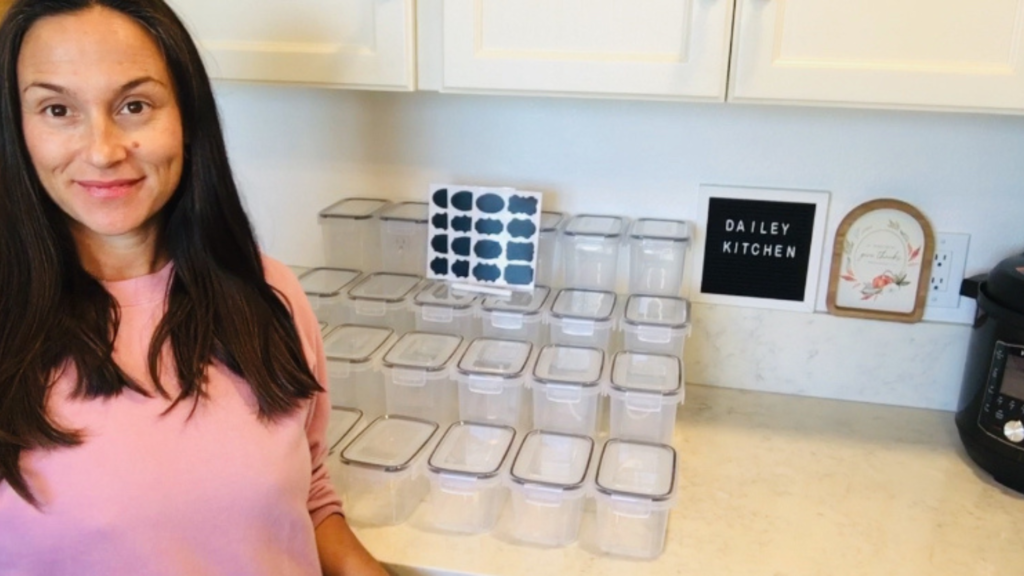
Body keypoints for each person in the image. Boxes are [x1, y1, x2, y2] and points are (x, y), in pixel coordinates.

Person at [0, 1, 388, 574]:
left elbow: (309, 501)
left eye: (134, 105)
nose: (104, 150)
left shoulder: (269, 293)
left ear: (185, 115)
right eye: (58, 109)